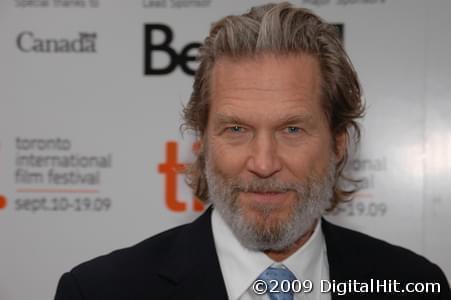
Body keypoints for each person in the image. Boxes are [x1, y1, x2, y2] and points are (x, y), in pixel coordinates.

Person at [55, 2, 450, 299]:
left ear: (338, 143)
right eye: (236, 129)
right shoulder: (100, 292)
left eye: (292, 129)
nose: (263, 163)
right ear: (204, 143)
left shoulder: (412, 284)